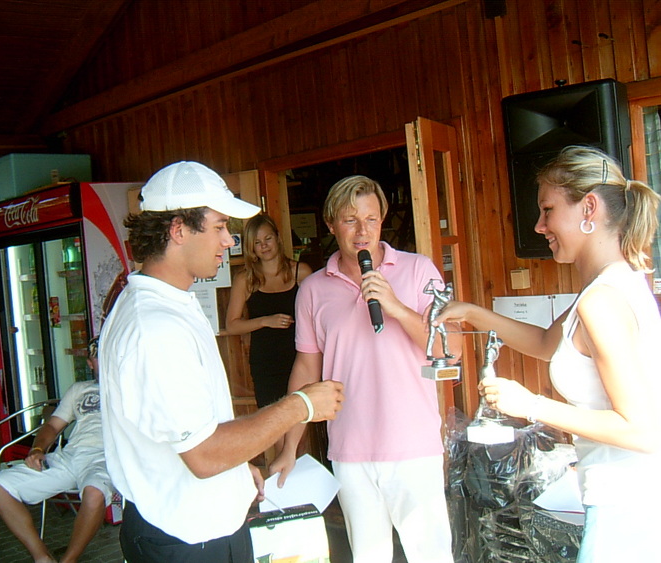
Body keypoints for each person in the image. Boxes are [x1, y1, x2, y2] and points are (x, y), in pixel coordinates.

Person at [98, 161, 344, 563]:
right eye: (219, 227)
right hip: (186, 541)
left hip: (200, 529)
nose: (229, 240)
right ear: (178, 230)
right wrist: (301, 404)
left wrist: (235, 471)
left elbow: (193, 434)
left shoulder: (169, 301)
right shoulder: (155, 327)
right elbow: (204, 454)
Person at [432, 145, 661, 562]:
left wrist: (531, 404)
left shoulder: (602, 301)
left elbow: (641, 430)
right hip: (623, 498)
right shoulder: (607, 286)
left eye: (548, 210)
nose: (539, 226)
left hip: (628, 506)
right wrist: (472, 312)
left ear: (588, 208)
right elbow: (544, 343)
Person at [270, 174, 462, 563]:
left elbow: (451, 349)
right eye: (350, 220)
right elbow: (306, 369)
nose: (362, 231)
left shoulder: (418, 270)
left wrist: (397, 308)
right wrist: (290, 447)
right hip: (349, 449)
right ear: (330, 225)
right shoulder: (313, 289)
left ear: (382, 220)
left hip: (414, 446)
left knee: (431, 556)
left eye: (371, 219)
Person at [0, 337, 113, 563]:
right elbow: (53, 426)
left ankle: (68, 560)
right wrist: (37, 449)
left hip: (106, 458)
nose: (104, 360)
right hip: (70, 456)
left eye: (109, 354)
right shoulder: (79, 389)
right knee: (0, 487)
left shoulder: (133, 389)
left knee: (94, 493)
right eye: (98, 356)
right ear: (90, 363)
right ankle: (43, 558)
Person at [225, 213, 313, 409]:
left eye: (268, 238)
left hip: (300, 358)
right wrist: (265, 321)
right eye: (257, 242)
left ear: (278, 238)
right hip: (265, 363)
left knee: (303, 417)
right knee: (272, 419)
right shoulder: (245, 279)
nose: (264, 246)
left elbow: (318, 316)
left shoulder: (301, 272)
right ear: (251, 247)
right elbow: (231, 325)